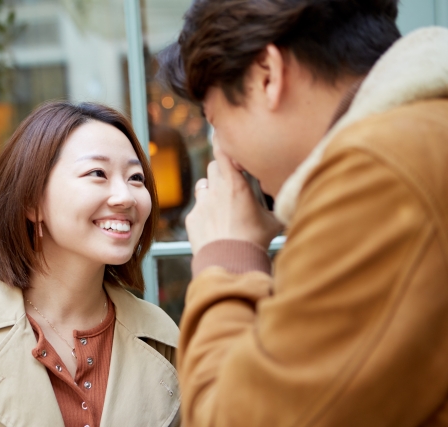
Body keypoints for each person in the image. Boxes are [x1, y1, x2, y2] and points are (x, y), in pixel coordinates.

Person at [159, 0, 448, 425]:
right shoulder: (420, 133)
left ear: (267, 75)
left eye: (215, 120)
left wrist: (227, 258)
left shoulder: (374, 176)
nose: (223, 154)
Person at [0, 102, 181, 427]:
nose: (125, 196)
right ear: (32, 202)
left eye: (136, 177)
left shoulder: (164, 339)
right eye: (97, 173)